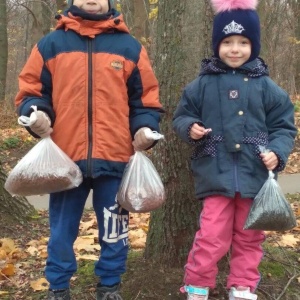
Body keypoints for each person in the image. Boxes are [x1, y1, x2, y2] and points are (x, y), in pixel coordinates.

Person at [15, 0, 164, 299]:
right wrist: (36, 114)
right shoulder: (51, 44)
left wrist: (144, 128)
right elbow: (31, 91)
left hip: (116, 157)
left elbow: (145, 98)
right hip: (65, 160)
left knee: (114, 229)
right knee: (61, 230)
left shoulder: (129, 47)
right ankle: (58, 286)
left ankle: (110, 285)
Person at [172, 0, 297, 299]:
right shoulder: (201, 84)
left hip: (255, 176)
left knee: (250, 235)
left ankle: (242, 285)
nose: (235, 49)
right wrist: (190, 128)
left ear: (253, 45)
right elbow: (182, 115)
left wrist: (277, 153)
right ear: (217, 45)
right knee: (211, 234)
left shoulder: (268, 87)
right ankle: (197, 283)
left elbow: (284, 127)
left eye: (243, 42)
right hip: (215, 172)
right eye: (227, 42)